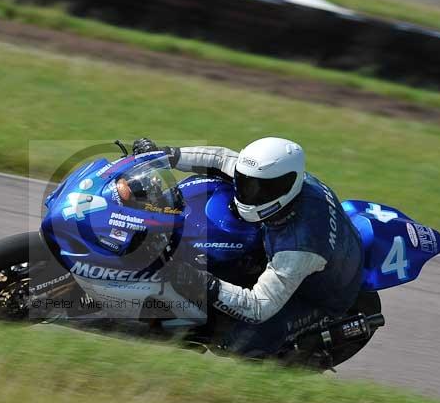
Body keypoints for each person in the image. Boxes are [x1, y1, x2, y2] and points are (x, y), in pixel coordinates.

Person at [131, 137, 364, 357]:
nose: (246, 191)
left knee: (235, 344)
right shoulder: (274, 176)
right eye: (244, 182)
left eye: (257, 188)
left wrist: (197, 280)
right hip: (304, 251)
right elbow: (221, 159)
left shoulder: (299, 246)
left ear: (284, 186)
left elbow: (258, 307)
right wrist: (165, 155)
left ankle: (291, 358)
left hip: (318, 295)